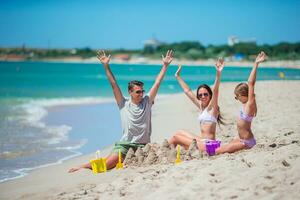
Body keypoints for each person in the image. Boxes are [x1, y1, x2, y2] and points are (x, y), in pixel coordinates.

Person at [68, 49, 173, 172]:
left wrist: (165, 66)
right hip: (125, 145)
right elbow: (113, 84)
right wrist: (106, 66)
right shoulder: (123, 104)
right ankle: (82, 167)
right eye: (138, 92)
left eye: (142, 91)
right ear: (130, 92)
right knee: (106, 165)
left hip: (143, 146)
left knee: (111, 163)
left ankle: (115, 161)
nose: (141, 94)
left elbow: (157, 83)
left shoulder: (147, 101)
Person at [168, 58, 225, 151]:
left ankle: (164, 151)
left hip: (210, 146)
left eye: (205, 94)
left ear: (210, 95)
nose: (203, 96)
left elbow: (216, 90)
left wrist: (218, 73)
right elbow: (188, 91)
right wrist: (177, 76)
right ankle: (168, 151)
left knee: (176, 137)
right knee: (179, 132)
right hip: (203, 142)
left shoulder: (212, 108)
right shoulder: (201, 106)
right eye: (200, 95)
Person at [215, 51, 266, 154]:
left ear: (243, 95)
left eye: (236, 96)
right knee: (224, 146)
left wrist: (256, 64)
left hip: (247, 142)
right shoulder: (244, 104)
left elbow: (251, 83)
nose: (236, 98)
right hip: (241, 139)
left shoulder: (249, 105)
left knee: (218, 151)